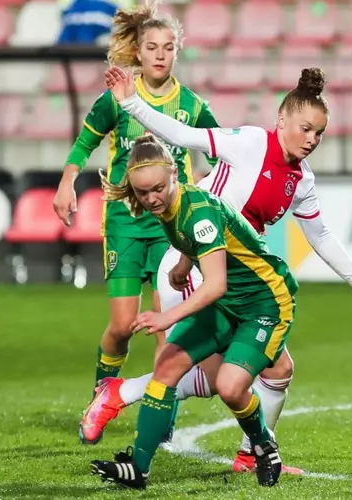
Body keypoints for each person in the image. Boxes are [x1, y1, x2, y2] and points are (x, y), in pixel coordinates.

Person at [85, 64, 352, 472]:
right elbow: (185, 136)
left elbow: (319, 234)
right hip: (198, 270)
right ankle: (121, 395)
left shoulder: (301, 179)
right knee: (213, 377)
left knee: (271, 370)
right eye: (305, 128)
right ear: (281, 120)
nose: (312, 139)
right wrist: (130, 101)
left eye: (319, 133)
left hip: (230, 274)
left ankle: (248, 454)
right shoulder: (251, 142)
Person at [52, 0, 218, 445]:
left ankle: (160, 416)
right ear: (139, 52)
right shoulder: (118, 98)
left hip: (173, 230)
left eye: (167, 47)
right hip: (126, 224)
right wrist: (67, 181)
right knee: (123, 326)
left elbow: (221, 152)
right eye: (151, 47)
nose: (160, 55)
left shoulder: (191, 105)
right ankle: (101, 394)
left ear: (176, 52)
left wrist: (203, 188)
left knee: (166, 326)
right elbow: (86, 140)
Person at [91, 135, 292, 489]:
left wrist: (167, 317)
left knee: (230, 387)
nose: (150, 198)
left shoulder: (196, 210)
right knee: (167, 366)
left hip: (265, 303)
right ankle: (138, 469)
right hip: (230, 305)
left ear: (174, 174)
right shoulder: (170, 204)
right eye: (141, 193)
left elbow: (215, 285)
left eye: (156, 188)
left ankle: (263, 444)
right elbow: (199, 242)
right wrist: (184, 263)